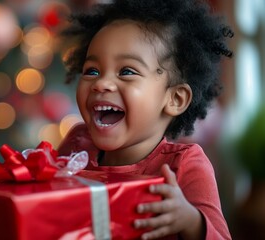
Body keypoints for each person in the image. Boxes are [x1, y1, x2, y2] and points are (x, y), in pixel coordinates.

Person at [57, 0, 233, 239]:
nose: (101, 83)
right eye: (92, 71)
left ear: (175, 99)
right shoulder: (77, 145)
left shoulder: (184, 166)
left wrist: (190, 220)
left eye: (127, 72)